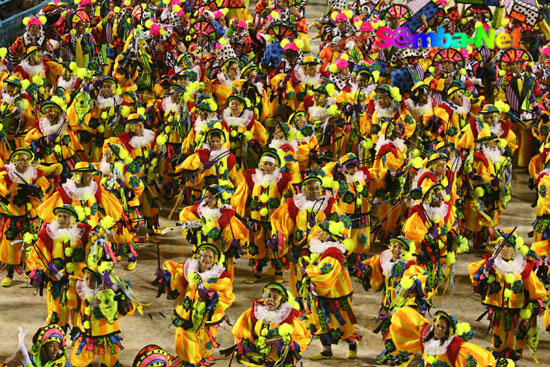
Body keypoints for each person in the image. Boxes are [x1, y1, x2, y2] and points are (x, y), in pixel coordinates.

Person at [468, 229, 548, 361]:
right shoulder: (494, 265)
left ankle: (512, 354)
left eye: (508, 246)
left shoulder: (523, 268)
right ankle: (498, 351)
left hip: (517, 309)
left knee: (515, 334)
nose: (505, 249)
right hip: (499, 308)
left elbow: (534, 287)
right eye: (502, 246)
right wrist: (486, 271)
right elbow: (478, 280)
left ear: (514, 249)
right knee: (498, 332)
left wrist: (535, 302)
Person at [155, 243, 234, 366]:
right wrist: (167, 277)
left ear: (215, 260)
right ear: (198, 257)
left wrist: (211, 298)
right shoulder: (189, 271)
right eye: (204, 256)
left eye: (210, 257)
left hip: (204, 317)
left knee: (202, 341)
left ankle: (194, 361)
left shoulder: (220, 278)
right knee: (185, 337)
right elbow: (178, 286)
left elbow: (227, 297)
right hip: (186, 312)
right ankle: (188, 360)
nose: (207, 259)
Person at [224, 282, 311, 367]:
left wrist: (288, 345)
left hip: (277, 362)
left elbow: (302, 338)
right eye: (268, 296)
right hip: (258, 359)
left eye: (275, 297)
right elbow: (242, 329)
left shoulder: (289, 320)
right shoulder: (254, 313)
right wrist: (248, 343)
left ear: (282, 301)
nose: (270, 299)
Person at [0, 149, 48, 287]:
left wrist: (36, 191)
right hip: (13, 214)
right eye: (22, 159)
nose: (25, 162)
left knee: (30, 244)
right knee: (10, 244)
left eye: (27, 159)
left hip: (28, 215)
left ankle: (30, 272)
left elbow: (43, 188)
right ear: (16, 160)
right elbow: (1, 186)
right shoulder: (6, 172)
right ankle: (10, 273)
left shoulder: (35, 174)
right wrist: (11, 193)